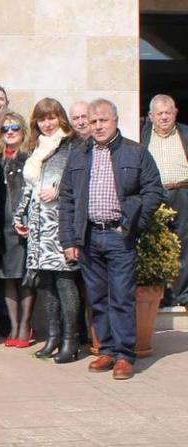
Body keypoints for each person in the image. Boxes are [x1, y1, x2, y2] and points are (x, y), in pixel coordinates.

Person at [59, 98, 165, 380]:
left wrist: (132, 225)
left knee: (121, 296)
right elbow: (67, 199)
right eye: (93, 121)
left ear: (115, 120)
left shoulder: (135, 152)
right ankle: (105, 349)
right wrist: (69, 239)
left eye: (103, 120)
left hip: (119, 236)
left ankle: (124, 356)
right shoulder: (79, 154)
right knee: (97, 298)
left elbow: (153, 191)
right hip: (89, 236)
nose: (97, 126)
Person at [13, 99, 80, 362]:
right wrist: (19, 216)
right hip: (39, 228)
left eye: (52, 118)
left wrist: (60, 189)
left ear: (61, 118)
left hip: (60, 225)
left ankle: (70, 340)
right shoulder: (37, 148)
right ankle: (53, 336)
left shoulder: (72, 145)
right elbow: (29, 187)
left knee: (65, 282)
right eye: (42, 119)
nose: (47, 124)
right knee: (46, 284)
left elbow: (78, 180)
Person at [140, 94, 188, 307]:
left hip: (182, 192)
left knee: (183, 243)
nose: (164, 117)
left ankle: (183, 294)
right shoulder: (141, 135)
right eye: (159, 113)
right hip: (154, 195)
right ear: (151, 116)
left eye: (168, 112)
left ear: (175, 112)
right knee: (155, 244)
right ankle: (161, 295)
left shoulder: (186, 133)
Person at [0, 112, 32, 347]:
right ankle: (14, 324)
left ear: (23, 130)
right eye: (6, 128)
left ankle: (26, 325)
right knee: (7, 276)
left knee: (26, 277)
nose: (10, 132)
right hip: (1, 223)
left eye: (15, 128)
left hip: (23, 223)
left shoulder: (30, 158)